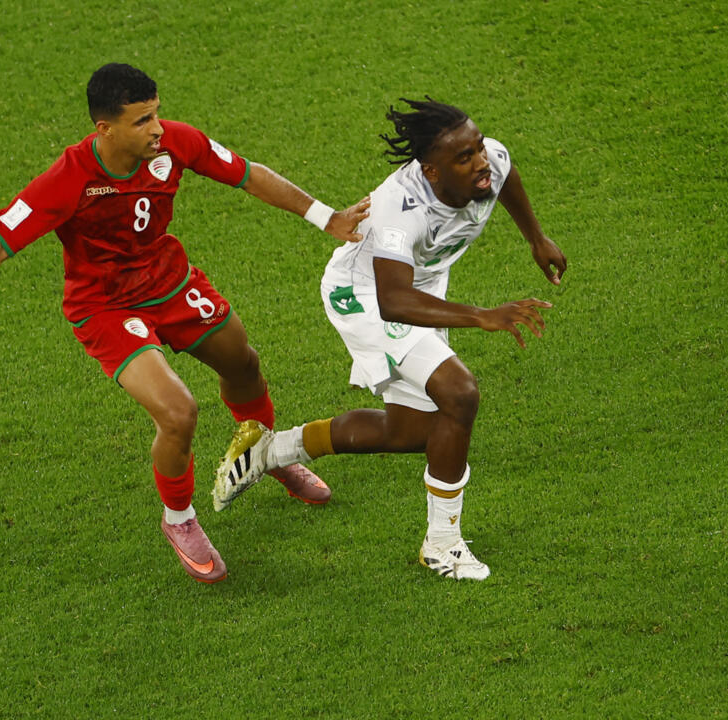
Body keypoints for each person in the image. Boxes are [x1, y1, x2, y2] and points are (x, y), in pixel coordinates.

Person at [0, 63, 370, 584]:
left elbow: (248, 174)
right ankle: (179, 519)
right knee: (178, 412)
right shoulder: (69, 179)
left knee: (242, 362)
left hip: (171, 283)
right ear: (106, 129)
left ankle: (264, 453)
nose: (157, 128)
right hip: (107, 309)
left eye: (156, 114)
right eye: (142, 121)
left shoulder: (175, 143)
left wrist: (327, 217)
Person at [213, 97, 567, 581]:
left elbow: (506, 177)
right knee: (459, 394)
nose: (482, 162)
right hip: (365, 294)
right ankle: (443, 545)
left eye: (480, 148)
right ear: (432, 172)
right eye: (465, 157)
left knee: (412, 433)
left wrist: (536, 238)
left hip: (418, 288)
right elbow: (393, 301)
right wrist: (483, 316)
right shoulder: (400, 210)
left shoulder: (490, 161)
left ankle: (268, 452)